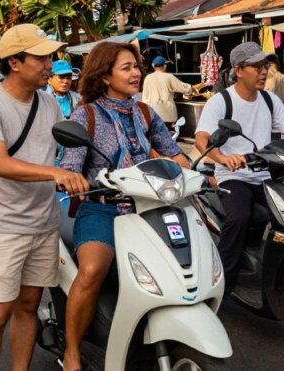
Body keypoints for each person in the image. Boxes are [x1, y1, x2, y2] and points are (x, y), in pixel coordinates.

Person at [58, 42, 190, 371]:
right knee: (92, 271)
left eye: (136, 66)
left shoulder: (145, 111)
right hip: (101, 209)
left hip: (149, 209)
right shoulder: (85, 114)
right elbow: (71, 165)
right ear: (104, 76)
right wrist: (73, 179)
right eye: (127, 68)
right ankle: (73, 351)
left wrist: (199, 173)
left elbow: (173, 152)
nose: (136, 73)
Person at [0, 24, 88, 371]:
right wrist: (56, 174)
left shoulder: (49, 104)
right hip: (1, 223)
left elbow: (69, 150)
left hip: (43, 221)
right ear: (15, 62)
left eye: (50, 56)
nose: (50, 64)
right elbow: (0, 163)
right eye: (42, 57)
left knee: (29, 305)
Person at [194, 42, 284, 293]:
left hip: (266, 175)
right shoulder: (221, 101)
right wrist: (223, 158)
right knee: (239, 218)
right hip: (233, 177)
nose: (263, 71)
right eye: (256, 66)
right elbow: (202, 139)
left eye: (265, 65)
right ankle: (222, 285)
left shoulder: (269, 100)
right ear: (238, 70)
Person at [141, 55, 201, 131]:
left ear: (153, 66)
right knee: (168, 136)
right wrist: (192, 88)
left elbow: (144, 96)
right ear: (165, 66)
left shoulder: (148, 78)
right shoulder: (169, 77)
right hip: (166, 114)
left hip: (151, 114)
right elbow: (182, 87)